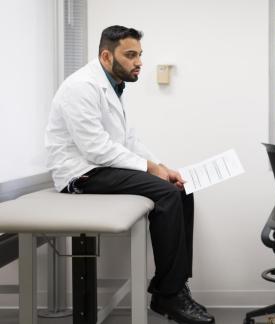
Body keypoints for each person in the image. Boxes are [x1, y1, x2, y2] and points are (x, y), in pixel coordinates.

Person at [45, 25, 214, 324]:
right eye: (131, 55)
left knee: (181, 190)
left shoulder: (111, 85)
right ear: (107, 55)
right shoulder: (81, 88)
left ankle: (175, 287)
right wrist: (153, 170)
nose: (139, 62)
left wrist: (163, 167)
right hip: (80, 174)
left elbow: (128, 141)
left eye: (140, 55)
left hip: (101, 166)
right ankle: (169, 294)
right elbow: (96, 149)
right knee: (165, 194)